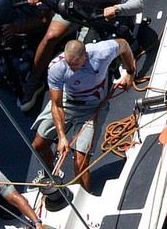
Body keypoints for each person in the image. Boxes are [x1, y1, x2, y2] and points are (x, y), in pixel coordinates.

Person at [33, 34, 137, 197]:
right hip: (67, 103)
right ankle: (50, 175)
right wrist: (61, 137)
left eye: (75, 64)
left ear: (85, 56)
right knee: (39, 145)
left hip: (93, 107)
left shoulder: (102, 51)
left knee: (80, 165)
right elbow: (57, 104)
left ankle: (82, 199)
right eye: (68, 63)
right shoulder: (56, 67)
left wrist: (131, 73)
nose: (71, 68)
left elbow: (123, 45)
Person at [25, 0, 144, 87]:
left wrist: (117, 9)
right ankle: (34, 80)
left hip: (104, 12)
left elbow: (138, 4)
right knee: (50, 37)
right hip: (77, 6)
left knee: (85, 52)